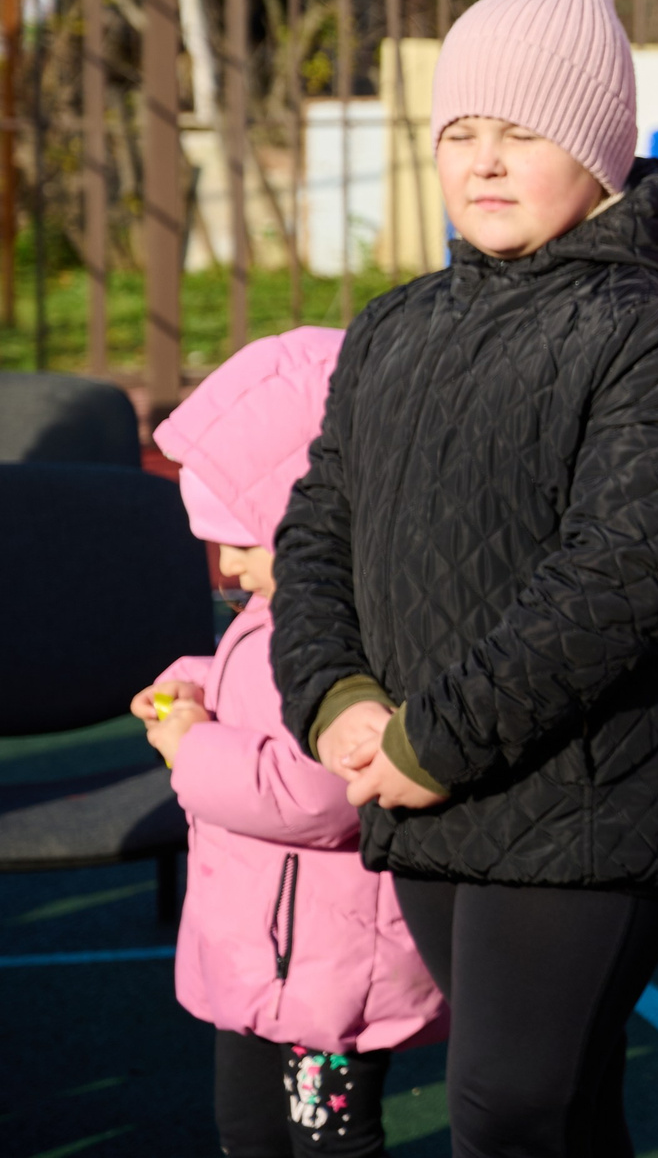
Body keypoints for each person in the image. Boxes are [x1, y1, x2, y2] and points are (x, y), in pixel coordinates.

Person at [271, 0, 658, 1158]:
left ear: (599, 156)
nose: (483, 160)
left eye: (523, 133)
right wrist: (334, 691)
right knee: (560, 1106)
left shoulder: (652, 335)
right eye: (460, 132)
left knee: (506, 1105)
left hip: (591, 788)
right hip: (426, 782)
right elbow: (319, 524)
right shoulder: (393, 326)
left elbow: (616, 575)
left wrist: (438, 737)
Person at [141, 327, 445, 1158]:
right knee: (248, 1128)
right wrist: (194, 685)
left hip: (329, 960)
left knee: (328, 1141)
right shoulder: (280, 611)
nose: (226, 565)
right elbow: (259, 688)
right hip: (264, 944)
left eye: (244, 541)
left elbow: (320, 789)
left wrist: (191, 748)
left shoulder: (360, 627)